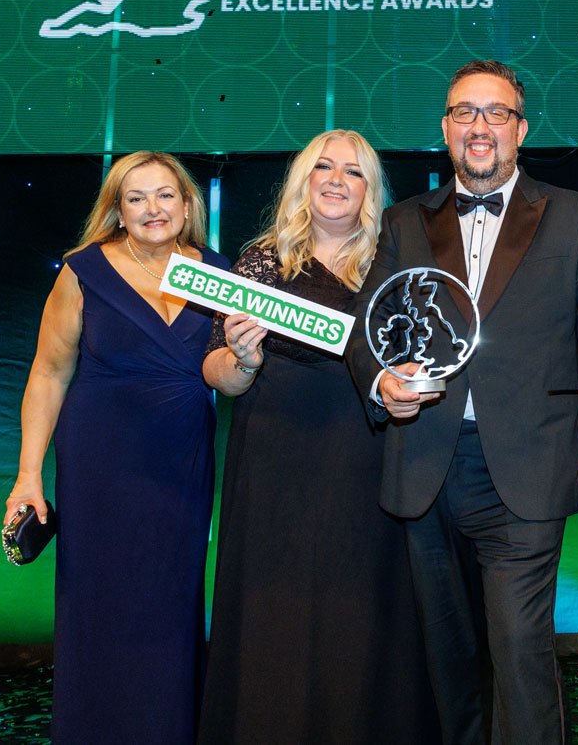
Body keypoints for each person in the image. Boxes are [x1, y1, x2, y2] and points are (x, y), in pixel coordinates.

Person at [348, 58, 578, 745]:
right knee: (450, 662)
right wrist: (382, 382)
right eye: (464, 113)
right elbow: (367, 327)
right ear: (445, 127)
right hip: (426, 463)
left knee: (519, 653)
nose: (479, 127)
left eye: (496, 113)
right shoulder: (403, 220)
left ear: (520, 128)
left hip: (529, 465)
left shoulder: (573, 213)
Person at [196, 129, 438, 744]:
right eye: (323, 167)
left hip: (365, 452)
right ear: (302, 181)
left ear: (370, 191)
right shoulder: (261, 259)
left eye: (353, 172)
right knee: (273, 608)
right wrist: (243, 360)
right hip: (273, 457)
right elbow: (215, 371)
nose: (336, 180)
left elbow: (417, 356)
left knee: (359, 608)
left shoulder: (394, 261)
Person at [4, 151, 228, 745]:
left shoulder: (219, 274)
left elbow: (232, 369)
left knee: (172, 604)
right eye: (136, 197)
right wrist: (28, 476)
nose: (153, 208)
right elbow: (48, 374)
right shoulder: (84, 272)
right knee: (99, 604)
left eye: (165, 195)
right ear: (118, 211)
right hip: (100, 463)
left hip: (182, 464)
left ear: (187, 204)